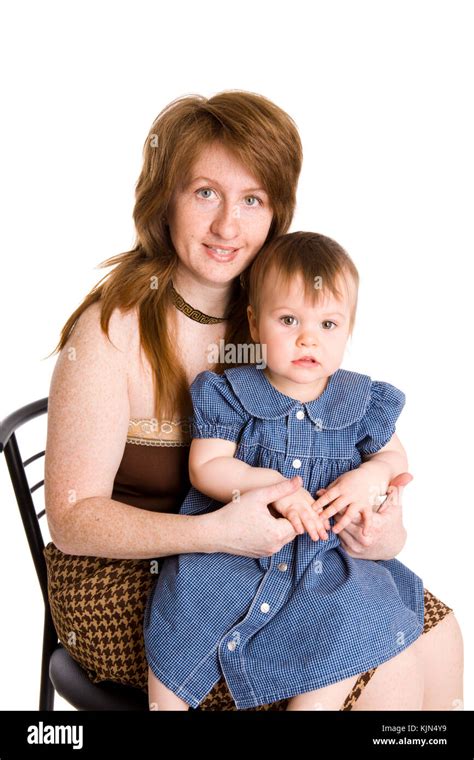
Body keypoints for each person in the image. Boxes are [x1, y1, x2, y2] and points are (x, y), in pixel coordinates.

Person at [43, 91, 463, 711]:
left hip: (275, 557)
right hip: (133, 580)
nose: (226, 227)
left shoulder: (275, 323)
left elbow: (345, 448)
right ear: (166, 199)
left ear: (276, 212)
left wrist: (379, 523)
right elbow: (74, 523)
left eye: (252, 200)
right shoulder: (113, 331)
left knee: (439, 632)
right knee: (381, 669)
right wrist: (213, 531)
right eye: (205, 192)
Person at [144, 231, 426, 710]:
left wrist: (370, 476)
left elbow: (395, 459)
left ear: (350, 330)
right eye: (289, 319)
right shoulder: (230, 393)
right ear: (255, 324)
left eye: (329, 324)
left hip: (326, 559)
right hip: (236, 550)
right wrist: (268, 486)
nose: (307, 338)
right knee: (187, 609)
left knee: (353, 618)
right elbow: (207, 467)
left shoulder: (361, 402)